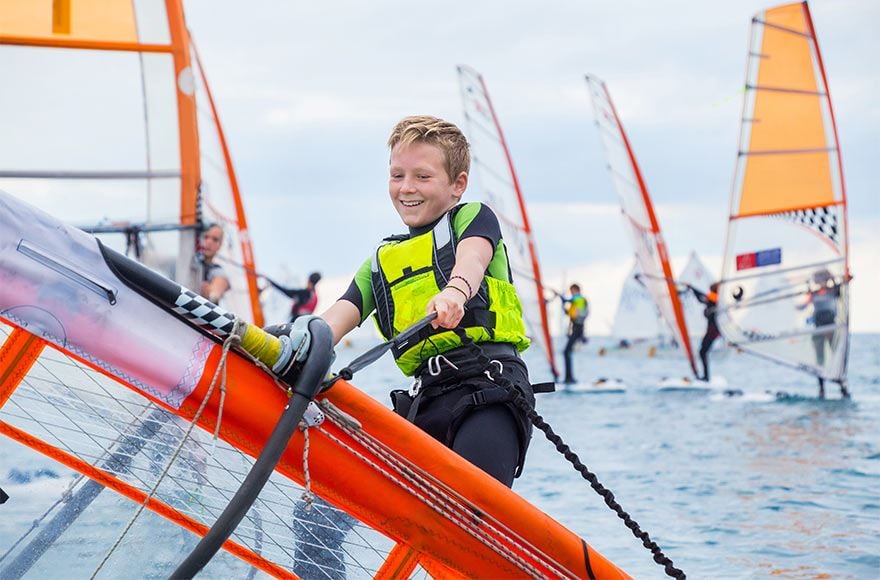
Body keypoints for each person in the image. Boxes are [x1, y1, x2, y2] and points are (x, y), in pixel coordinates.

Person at [273, 115, 538, 489]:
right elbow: (335, 319)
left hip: (489, 390)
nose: (406, 188)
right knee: (334, 501)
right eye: (397, 175)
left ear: (457, 184)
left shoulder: (474, 218)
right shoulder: (381, 261)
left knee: (472, 510)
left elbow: (472, 260)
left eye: (423, 177)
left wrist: (454, 292)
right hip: (426, 400)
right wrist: (294, 344)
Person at [797, 268, 849, 398]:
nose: (820, 282)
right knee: (820, 359)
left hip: (831, 327)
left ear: (827, 280)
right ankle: (821, 388)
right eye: (817, 280)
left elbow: (842, 286)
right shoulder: (813, 294)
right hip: (818, 328)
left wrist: (845, 278)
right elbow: (802, 306)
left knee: (837, 355)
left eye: (821, 279)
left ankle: (842, 385)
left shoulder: (833, 291)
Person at [688, 282, 720, 382]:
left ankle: (706, 377)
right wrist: (692, 288)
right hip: (713, 330)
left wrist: (692, 288)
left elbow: (703, 297)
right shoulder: (714, 299)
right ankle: (706, 376)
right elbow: (702, 297)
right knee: (703, 352)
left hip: (714, 330)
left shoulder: (717, 299)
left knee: (703, 352)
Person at [560, 284, 589, 384]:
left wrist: (565, 299)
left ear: (577, 290)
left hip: (578, 330)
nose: (571, 293)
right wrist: (563, 303)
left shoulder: (580, 299)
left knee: (566, 352)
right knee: (567, 352)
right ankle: (569, 378)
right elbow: (568, 313)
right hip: (574, 329)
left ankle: (569, 378)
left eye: (572, 291)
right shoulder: (575, 302)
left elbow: (573, 300)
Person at [198, 223, 230, 304]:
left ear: (220, 245)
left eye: (215, 239)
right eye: (206, 237)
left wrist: (212, 295)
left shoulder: (216, 270)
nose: (209, 242)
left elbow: (220, 281)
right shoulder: (180, 261)